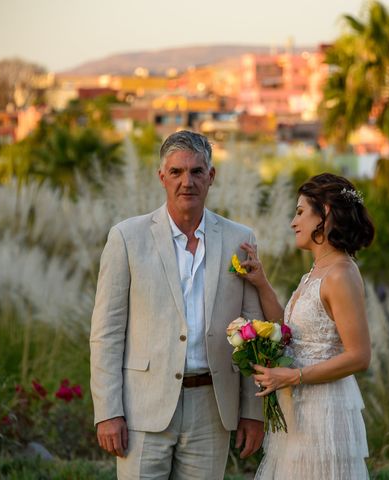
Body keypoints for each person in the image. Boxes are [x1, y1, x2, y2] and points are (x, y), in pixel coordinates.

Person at [90, 130, 265, 479]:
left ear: (211, 176)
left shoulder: (239, 239)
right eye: (177, 172)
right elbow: (106, 333)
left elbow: (253, 331)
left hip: (212, 408)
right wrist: (108, 412)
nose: (187, 182)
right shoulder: (126, 237)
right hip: (142, 408)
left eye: (197, 172)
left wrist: (253, 411)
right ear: (162, 177)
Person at [237, 172, 374, 479]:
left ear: (324, 214)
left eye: (300, 212)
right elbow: (289, 333)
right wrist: (261, 283)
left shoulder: (340, 274)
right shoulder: (316, 271)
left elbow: (360, 356)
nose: (292, 222)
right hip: (298, 408)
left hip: (324, 411)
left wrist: (294, 376)